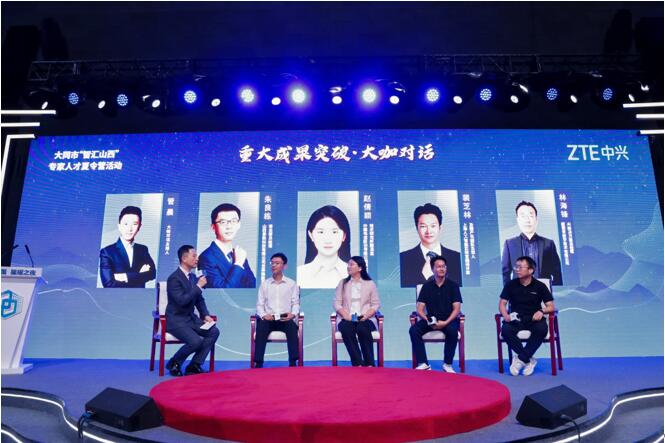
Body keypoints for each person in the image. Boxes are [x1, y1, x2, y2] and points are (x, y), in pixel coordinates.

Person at [165, 245, 220, 376]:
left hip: (191, 320)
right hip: (176, 321)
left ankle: (194, 365)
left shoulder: (193, 277)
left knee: (213, 331)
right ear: (184, 258)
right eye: (194, 256)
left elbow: (199, 300)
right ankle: (174, 362)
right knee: (195, 341)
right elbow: (181, 301)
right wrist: (198, 286)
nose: (197, 259)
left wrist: (205, 315)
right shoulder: (174, 279)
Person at [499, 256, 555, 376]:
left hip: (534, 318)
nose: (517, 269)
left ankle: (521, 359)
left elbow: (551, 306)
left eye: (520, 267)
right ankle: (528, 360)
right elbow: (502, 303)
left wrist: (542, 311)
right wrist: (505, 315)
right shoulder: (510, 284)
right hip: (516, 318)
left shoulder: (540, 286)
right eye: (516, 267)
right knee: (506, 330)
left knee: (541, 329)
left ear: (530, 270)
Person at [409, 255, 462, 373]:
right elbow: (419, 309)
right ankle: (423, 363)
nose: (441, 269)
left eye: (443, 266)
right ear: (433, 269)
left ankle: (447, 364)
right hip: (431, 320)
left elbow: (457, 309)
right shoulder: (426, 286)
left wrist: (446, 322)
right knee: (414, 330)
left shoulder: (453, 286)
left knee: (452, 331)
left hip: (448, 319)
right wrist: (428, 320)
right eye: (438, 267)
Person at [254, 253, 300, 368]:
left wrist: (293, 314)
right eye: (272, 263)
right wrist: (264, 315)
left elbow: (295, 303)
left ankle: (293, 362)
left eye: (277, 263)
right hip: (269, 319)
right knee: (261, 326)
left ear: (284, 266)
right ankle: (258, 362)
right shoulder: (265, 284)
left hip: (285, 318)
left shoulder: (291, 284)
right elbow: (259, 305)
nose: (273, 265)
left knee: (292, 327)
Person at [400, 203, 462, 288]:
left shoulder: (457, 258)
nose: (428, 231)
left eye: (433, 226)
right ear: (417, 228)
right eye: (423, 226)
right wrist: (424, 276)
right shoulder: (404, 259)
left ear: (440, 227)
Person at [501, 201, 563, 286]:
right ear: (518, 220)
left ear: (536, 220)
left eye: (531, 216)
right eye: (523, 216)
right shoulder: (510, 244)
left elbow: (557, 273)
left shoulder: (549, 244)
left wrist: (552, 290)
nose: (527, 220)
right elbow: (505, 273)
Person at [333, 256, 380, 367]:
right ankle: (357, 363)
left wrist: (366, 315)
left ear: (360, 268)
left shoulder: (370, 284)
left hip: (365, 318)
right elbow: (336, 303)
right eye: (348, 264)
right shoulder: (343, 283)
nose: (348, 267)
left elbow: (376, 304)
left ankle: (369, 363)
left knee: (362, 328)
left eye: (351, 264)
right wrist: (345, 315)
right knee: (346, 329)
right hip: (347, 318)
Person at [198, 203, 256, 288]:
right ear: (213, 227)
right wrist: (238, 264)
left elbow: (253, 285)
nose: (229, 226)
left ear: (239, 225)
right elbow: (223, 291)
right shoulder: (206, 257)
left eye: (233, 221)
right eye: (223, 222)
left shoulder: (238, 254)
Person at [99, 205, 156, 288]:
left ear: (139, 227)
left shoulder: (143, 249)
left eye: (134, 224)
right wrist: (140, 275)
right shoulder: (107, 252)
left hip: (140, 295)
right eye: (126, 224)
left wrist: (125, 277)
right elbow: (108, 284)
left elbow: (153, 273)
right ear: (119, 226)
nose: (129, 229)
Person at [298, 205, 351, 289]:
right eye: (321, 232)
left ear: (344, 236)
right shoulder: (299, 274)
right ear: (311, 235)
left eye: (334, 232)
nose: (328, 239)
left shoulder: (355, 275)